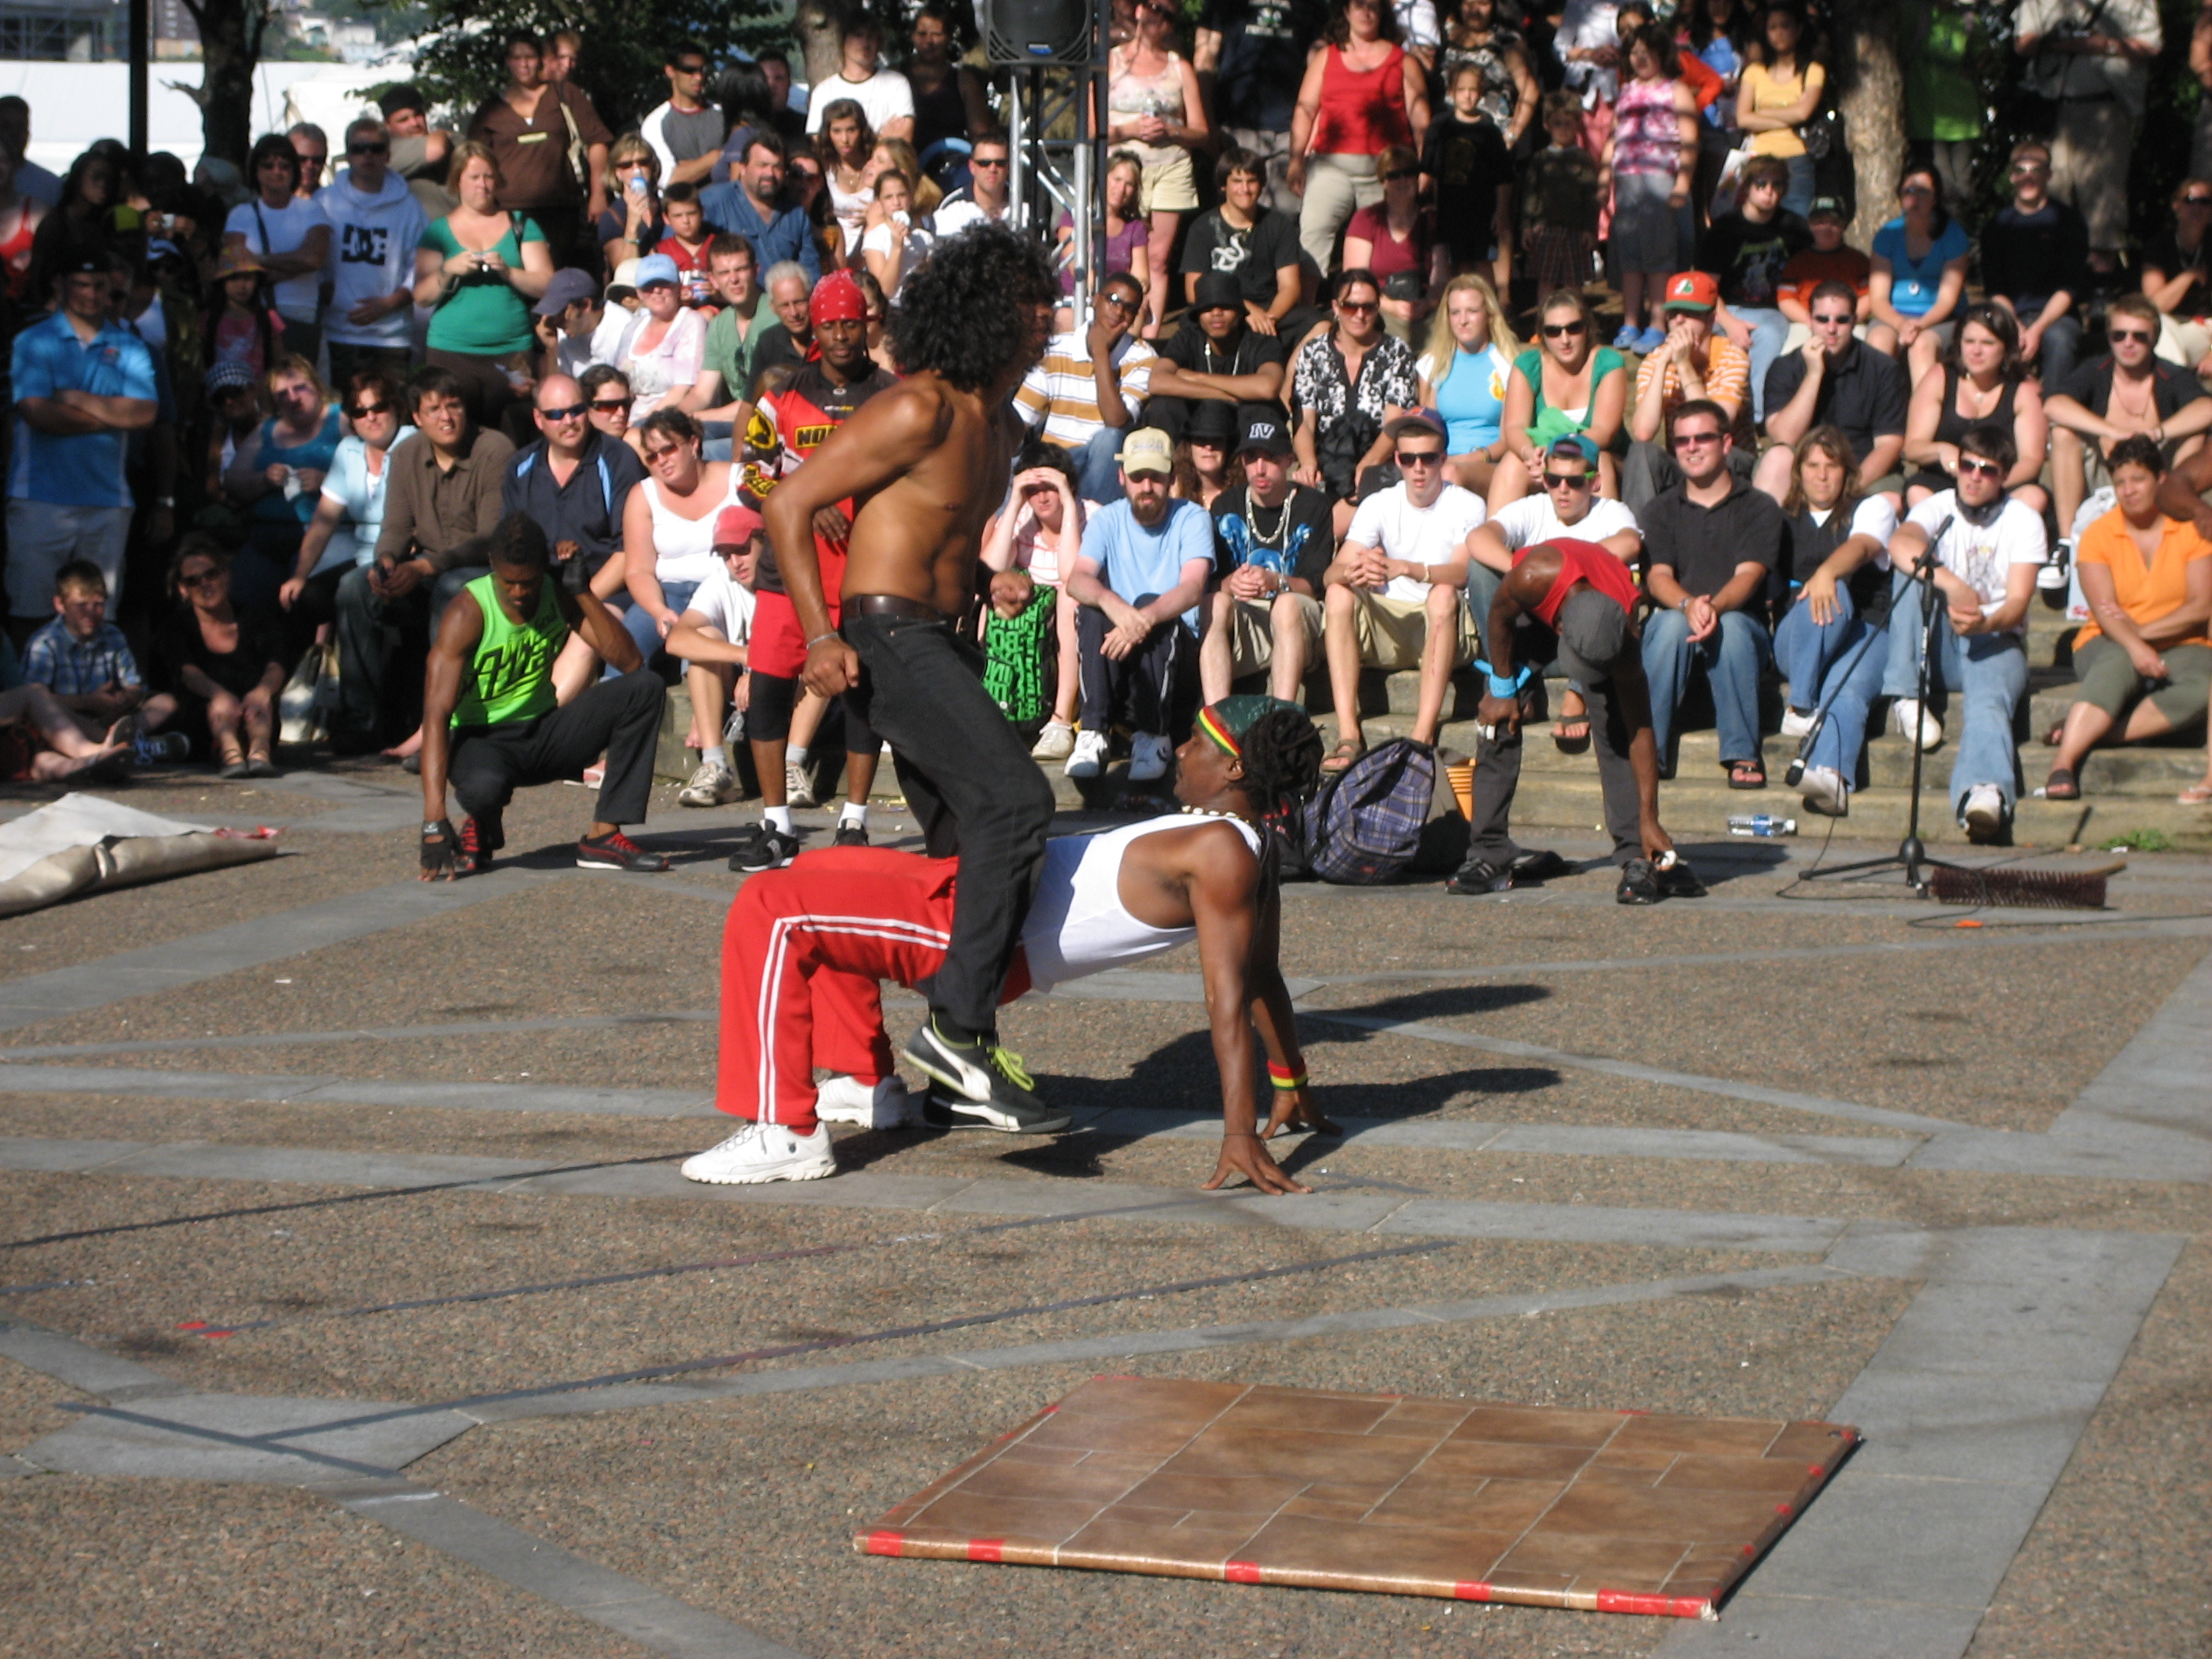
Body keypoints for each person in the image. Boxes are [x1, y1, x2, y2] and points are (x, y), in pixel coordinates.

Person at [681, 697, 1328, 1188]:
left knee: (772, 907)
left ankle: (785, 1129)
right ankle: (863, 1081)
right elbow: (1264, 976)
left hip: (970, 934)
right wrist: (1289, 1079)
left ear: (1235, 767)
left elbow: (1231, 995)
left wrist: (1239, 1133)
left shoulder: (1223, 852)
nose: (1181, 751)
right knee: (816, 876)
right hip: (971, 895)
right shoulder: (1245, 843)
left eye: (1196, 742)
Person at [764, 222, 1062, 1122]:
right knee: (1016, 802)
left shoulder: (1001, 425)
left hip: (940, 635)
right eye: (1025, 304)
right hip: (886, 637)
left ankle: (945, 1072)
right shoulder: (916, 407)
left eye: (1044, 302)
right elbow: (789, 503)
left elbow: (932, 529)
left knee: (967, 848)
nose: (1043, 318)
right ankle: (958, 1031)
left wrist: (983, 579)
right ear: (981, 313)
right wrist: (820, 637)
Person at [731, 271, 898, 863]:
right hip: (789, 573)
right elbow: (750, 474)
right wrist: (806, 500)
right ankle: (776, 824)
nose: (841, 335)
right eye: (830, 325)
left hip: (865, 571)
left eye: (851, 323)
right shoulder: (781, 395)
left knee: (861, 696)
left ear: (867, 324)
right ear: (815, 329)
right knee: (768, 693)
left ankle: (855, 820)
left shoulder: (893, 396)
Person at [418, 511, 671, 877]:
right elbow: (436, 713)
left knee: (644, 688)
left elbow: (630, 661)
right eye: (509, 583)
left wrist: (582, 592)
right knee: (483, 790)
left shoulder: (556, 592)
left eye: (529, 582)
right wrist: (433, 821)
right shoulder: (467, 612)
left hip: (542, 729)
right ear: (492, 565)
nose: (520, 593)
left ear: (542, 568)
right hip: (481, 739)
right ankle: (482, 820)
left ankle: (603, 835)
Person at [1458, 537, 1690, 904]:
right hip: (1530, 611)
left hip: (1597, 620)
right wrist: (1502, 688)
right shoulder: (1532, 575)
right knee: (1497, 718)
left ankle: (1636, 851)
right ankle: (1488, 852)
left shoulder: (1625, 633)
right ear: (1561, 628)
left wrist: (1650, 817)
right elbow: (1500, 616)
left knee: (1617, 729)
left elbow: (1641, 731)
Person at [331, 368, 515, 752]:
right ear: (416, 417)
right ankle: (362, 720)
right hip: (426, 569)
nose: (446, 418)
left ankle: (442, 726)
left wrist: (426, 566)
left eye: (454, 406)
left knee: (452, 587)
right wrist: (386, 562)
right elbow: (396, 526)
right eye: (434, 410)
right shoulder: (405, 454)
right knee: (354, 587)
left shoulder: (494, 449)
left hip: (480, 570)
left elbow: (491, 537)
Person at [1880, 423, 2046, 843]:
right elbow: (1900, 544)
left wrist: (1984, 623)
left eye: (1987, 471)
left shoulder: (2024, 520)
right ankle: (1907, 695)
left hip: (1996, 635)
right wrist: (1954, 586)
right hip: (1940, 641)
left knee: (1989, 699)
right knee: (1911, 573)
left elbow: (2018, 603)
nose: (1974, 477)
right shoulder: (1937, 507)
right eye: (1968, 466)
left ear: (2004, 477)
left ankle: (1984, 792)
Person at [2041, 438, 2212, 802]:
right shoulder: (2099, 534)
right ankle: (2064, 762)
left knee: (2204, 686)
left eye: (2138, 480)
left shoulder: (2189, 530)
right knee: (2118, 659)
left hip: (2182, 643)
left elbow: (2200, 607)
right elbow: (2105, 612)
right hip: (2107, 641)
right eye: (2119, 483)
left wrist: (2142, 633)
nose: (2128, 490)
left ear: (2161, 479)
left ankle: (2100, 731)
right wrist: (2135, 645)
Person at [1319, 411, 1484, 768]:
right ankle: (1348, 734)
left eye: (1428, 458)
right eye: (1409, 459)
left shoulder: (1467, 504)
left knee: (1443, 594)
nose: (1418, 468)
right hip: (1390, 625)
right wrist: (1355, 571)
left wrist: (1410, 569)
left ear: (1443, 459)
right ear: (1397, 460)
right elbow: (1330, 575)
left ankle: (1422, 735)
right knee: (1338, 593)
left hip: (1444, 626)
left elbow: (1462, 572)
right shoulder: (1379, 503)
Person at [1639, 397, 1788, 786]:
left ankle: (1742, 752)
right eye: (1682, 440)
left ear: (1726, 443)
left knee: (1733, 626)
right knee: (1669, 625)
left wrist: (1714, 608)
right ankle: (1649, 752)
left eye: (1702, 438)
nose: (1691, 448)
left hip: (1741, 628)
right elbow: (1657, 576)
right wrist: (1688, 604)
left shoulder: (1759, 507)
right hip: (1675, 623)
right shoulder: (1659, 509)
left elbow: (1750, 574)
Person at [8, 258, 157, 635]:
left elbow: (145, 413)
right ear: (61, 285)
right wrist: (113, 415)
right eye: (81, 284)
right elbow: (37, 414)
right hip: (38, 496)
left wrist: (75, 398)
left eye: (99, 285)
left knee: (97, 621)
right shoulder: (32, 341)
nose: (91, 294)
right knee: (32, 614)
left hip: (107, 499)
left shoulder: (130, 346)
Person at [1466, 433, 1641, 749]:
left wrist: (1555, 572)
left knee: (1610, 584)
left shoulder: (1611, 512)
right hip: (1530, 633)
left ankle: (1577, 691)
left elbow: (1629, 543)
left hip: (1579, 641)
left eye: (1575, 481)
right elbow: (1478, 538)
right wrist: (1525, 573)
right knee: (1479, 569)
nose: (1562, 489)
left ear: (1595, 482)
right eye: (1553, 480)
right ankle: (1506, 681)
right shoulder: (1533, 508)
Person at [1062, 425, 1214, 783]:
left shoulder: (1192, 517)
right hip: (1122, 654)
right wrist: (1113, 604)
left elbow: (1192, 588)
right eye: (1137, 477)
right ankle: (1093, 732)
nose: (1147, 486)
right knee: (1092, 607)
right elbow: (1077, 580)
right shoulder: (1107, 519)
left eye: (1156, 477)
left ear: (1172, 478)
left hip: (1175, 660)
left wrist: (1143, 617)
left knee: (1152, 603)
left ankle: (1153, 736)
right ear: (1122, 478)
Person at [1771, 427, 1900, 819]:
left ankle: (1831, 777)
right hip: (1800, 640)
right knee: (1829, 596)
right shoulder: (1780, 520)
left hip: (1865, 631)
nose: (1822, 475)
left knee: (1847, 686)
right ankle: (1801, 706)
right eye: (1812, 466)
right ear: (1799, 472)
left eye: (1832, 466)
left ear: (1847, 471)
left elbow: (1863, 545)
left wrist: (1827, 572)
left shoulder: (1872, 508)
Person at [504, 372, 648, 691]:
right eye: (556, 414)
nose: (568, 421)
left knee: (584, 637)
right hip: (542, 589)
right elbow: (512, 545)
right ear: (538, 419)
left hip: (606, 591)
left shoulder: (617, 459)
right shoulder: (521, 466)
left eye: (576, 410)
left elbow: (629, 551)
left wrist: (578, 601)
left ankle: (545, 717)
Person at [2045, 293, 2212, 567]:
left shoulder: (2171, 374)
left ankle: (2176, 529)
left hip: (2157, 478)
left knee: (2194, 435)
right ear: (2109, 337)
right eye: (2119, 335)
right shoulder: (2095, 369)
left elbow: (2206, 408)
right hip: (2107, 470)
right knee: (2062, 433)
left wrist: (2157, 432)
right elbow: (2053, 405)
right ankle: (2067, 545)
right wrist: (2110, 431)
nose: (2128, 343)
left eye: (2139, 336)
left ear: (2155, 339)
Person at [2013, 0, 2160, 282]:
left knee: (2104, 198)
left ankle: (2100, 282)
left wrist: (2105, 45)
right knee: (2049, 191)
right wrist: (2055, 41)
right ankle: (2051, 279)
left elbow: (2151, 46)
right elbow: (2023, 43)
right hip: (2053, 108)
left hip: (2106, 108)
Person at [413, 141, 554, 430]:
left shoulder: (521, 225)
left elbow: (546, 284)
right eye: (474, 177)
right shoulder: (438, 231)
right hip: (451, 350)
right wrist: (449, 270)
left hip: (512, 350)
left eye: (489, 176)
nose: (483, 185)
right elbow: (422, 296)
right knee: (454, 432)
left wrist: (509, 272)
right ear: (457, 181)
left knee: (515, 432)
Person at [1202, 405, 1334, 703]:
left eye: (1271, 458)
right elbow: (1211, 581)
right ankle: (1217, 716)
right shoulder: (1226, 505)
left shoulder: (1314, 505)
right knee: (1215, 602)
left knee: (1286, 606)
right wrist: (1231, 583)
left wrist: (1277, 581)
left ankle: (1281, 713)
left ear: (1289, 460)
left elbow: (1315, 585)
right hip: (1246, 617)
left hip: (1300, 619)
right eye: (1251, 458)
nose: (1260, 469)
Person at [1288, 0, 1430, 274]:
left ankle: (1380, 299)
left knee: (1386, 244)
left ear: (1382, 13)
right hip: (1331, 166)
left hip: (1387, 172)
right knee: (1313, 235)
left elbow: (1422, 123)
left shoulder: (1403, 61)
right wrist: (1295, 161)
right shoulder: (1325, 57)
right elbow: (1304, 111)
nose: (1366, 13)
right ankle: (1306, 300)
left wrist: (1424, 169)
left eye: (1373, 7)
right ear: (1346, 11)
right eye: (1358, 6)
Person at [981, 440, 1094, 757]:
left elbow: (1071, 575)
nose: (1042, 498)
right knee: (989, 599)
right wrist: (1014, 503)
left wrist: (1068, 504)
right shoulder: (1022, 519)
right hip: (1030, 619)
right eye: (1033, 490)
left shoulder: (1092, 515)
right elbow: (991, 571)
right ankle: (991, 705)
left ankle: (1061, 719)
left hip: (1075, 617)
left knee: (1068, 597)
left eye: (1051, 488)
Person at [279, 368, 416, 629]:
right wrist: (299, 576)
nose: (370, 417)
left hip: (405, 560)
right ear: (351, 420)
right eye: (360, 412)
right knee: (302, 597)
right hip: (363, 558)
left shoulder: (414, 443)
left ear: (396, 408)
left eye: (379, 407)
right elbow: (323, 522)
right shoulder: (348, 450)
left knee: (352, 592)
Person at [467, 31, 613, 268]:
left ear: (541, 60)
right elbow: (473, 159)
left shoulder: (565, 95)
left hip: (563, 211)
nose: (524, 64)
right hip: (510, 213)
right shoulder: (491, 110)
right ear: (507, 62)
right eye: (517, 58)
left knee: (566, 277)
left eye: (530, 57)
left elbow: (597, 142)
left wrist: (598, 194)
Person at [1756, 280, 1910, 502]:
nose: (1831, 329)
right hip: (1803, 468)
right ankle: (1763, 526)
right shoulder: (1785, 367)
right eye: (1822, 319)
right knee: (1777, 457)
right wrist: (1814, 374)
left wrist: (1850, 489)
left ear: (1854, 321)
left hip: (1861, 469)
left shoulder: (1883, 369)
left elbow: (1889, 444)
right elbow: (1784, 437)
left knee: (1889, 501)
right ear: (1809, 320)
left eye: (1842, 320)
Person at [1108, 0, 1209, 335]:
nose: (1159, 17)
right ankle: (1116, 327)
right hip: (1123, 170)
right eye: (1154, 7)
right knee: (1119, 251)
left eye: (1168, 14)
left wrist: (1171, 130)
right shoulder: (1111, 61)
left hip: (1170, 167)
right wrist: (1130, 129)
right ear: (1138, 10)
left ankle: (1147, 338)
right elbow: (1093, 128)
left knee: (1158, 258)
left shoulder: (1180, 67)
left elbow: (1201, 131)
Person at [1013, 272, 1155, 505]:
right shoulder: (1058, 347)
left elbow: (1116, 421)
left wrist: (1100, 353)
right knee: (1005, 468)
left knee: (1109, 439)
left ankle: (1090, 518)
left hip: (1100, 466)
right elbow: (1021, 419)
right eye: (1113, 300)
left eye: (1129, 308)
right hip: (1054, 460)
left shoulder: (1142, 357)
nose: (1119, 311)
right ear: (1096, 300)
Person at [153, 537, 288, 778]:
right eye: (193, 581)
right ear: (183, 589)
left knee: (261, 704)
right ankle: (230, 753)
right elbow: (187, 673)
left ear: (226, 574)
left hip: (257, 716)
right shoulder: (174, 628)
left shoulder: (256, 619)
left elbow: (276, 663)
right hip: (202, 719)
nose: (205, 584)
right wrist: (218, 694)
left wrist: (263, 691)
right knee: (219, 706)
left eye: (211, 574)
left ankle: (260, 753)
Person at [1291, 269, 1419, 518]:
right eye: (1351, 307)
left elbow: (1394, 424)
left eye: (1368, 307)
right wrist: (1308, 463)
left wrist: (1367, 466)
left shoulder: (1396, 352)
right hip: (1326, 458)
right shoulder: (1313, 353)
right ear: (1335, 307)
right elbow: (1304, 420)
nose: (1360, 315)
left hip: (1378, 462)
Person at [221, 356, 342, 616]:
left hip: (325, 535)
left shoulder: (340, 419)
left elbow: (373, 472)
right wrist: (263, 480)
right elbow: (232, 481)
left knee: (303, 599)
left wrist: (327, 482)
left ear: (317, 386)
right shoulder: (267, 429)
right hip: (266, 533)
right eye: (282, 394)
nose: (293, 398)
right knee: (241, 595)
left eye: (299, 388)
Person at [1489, 285, 1628, 513]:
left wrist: (1556, 452)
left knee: (1599, 461)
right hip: (1542, 456)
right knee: (1512, 463)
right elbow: (1514, 426)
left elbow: (1604, 432)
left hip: (1600, 457)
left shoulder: (1607, 363)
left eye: (1574, 328)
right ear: (1542, 335)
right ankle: (1494, 533)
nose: (1565, 339)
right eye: (1553, 331)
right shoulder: (1528, 366)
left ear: (1587, 328)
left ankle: (1605, 535)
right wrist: (1529, 454)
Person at [1902, 305, 2049, 518]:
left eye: (1988, 343)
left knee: (2034, 497)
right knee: (1918, 492)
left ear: (2006, 348)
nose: (1976, 351)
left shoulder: (2024, 390)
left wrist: (1989, 483)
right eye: (1969, 342)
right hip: (1946, 482)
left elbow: (2031, 461)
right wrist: (1942, 450)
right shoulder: (1940, 377)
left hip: (2001, 484)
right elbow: (1913, 447)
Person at [1604, 24, 1699, 352]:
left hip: (1660, 181)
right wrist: (1604, 180)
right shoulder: (1626, 90)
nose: (1640, 58)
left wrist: (1682, 183)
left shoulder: (1676, 90)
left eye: (1647, 51)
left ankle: (1658, 324)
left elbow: (1689, 140)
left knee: (1659, 256)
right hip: (1626, 182)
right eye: (1634, 52)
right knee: (1630, 257)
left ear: (1661, 53)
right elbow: (1614, 137)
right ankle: (1631, 322)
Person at [1624, 269, 1752, 511]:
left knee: (1723, 452)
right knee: (1641, 453)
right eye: (1673, 314)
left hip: (1730, 465)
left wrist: (1683, 366)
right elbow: (1643, 432)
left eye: (1690, 313)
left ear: (1711, 320)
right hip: (1683, 463)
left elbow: (1717, 426)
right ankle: (1640, 532)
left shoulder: (1732, 357)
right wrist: (1662, 365)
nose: (1679, 320)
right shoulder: (1655, 361)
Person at [1695, 152, 1807, 424]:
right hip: (1725, 307)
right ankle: (1742, 414)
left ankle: (1755, 416)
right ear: (1746, 188)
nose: (1769, 191)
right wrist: (1729, 322)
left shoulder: (1795, 228)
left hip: (1773, 309)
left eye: (1777, 185)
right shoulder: (1724, 230)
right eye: (1761, 184)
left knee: (1768, 334)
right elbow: (1706, 287)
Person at [665, 502, 760, 809]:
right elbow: (677, 639)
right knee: (703, 637)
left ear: (765, 542)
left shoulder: (789, 575)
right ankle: (714, 764)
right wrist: (746, 656)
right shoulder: (723, 580)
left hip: (791, 687)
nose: (735, 563)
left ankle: (792, 764)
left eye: (742, 550)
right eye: (725, 555)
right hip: (739, 687)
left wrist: (760, 667)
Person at [320, 117, 427, 389]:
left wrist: (389, 303)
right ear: (348, 155)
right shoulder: (325, 201)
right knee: (342, 410)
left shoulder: (410, 207)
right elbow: (313, 262)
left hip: (391, 336)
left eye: (376, 148)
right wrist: (329, 292)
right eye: (359, 148)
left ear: (388, 155)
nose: (367, 155)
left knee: (392, 410)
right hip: (338, 332)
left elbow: (422, 268)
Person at [1196, 0, 1329, 207]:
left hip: (1289, 131)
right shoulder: (1223, 4)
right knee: (1236, 212)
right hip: (1236, 127)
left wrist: (1313, 127)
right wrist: (1207, 122)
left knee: (1285, 214)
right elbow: (1205, 61)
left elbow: (1321, 67)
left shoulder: (1312, 6)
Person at [1980, 141, 2088, 394]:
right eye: (2021, 169)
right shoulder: (1996, 226)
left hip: (2056, 316)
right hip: (2008, 314)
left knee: (2060, 340)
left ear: (2048, 175)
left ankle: (2054, 409)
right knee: (1981, 338)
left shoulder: (2069, 221)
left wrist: (2038, 328)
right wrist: (2015, 325)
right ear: (2012, 176)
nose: (2028, 177)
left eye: (2036, 170)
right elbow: (1995, 288)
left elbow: (2069, 287)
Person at [1142, 272, 1290, 451]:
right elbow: (1156, 382)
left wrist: (1197, 377)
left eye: (1225, 307)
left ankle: (1256, 465)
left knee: (1261, 409)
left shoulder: (1262, 342)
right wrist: (1227, 396)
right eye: (1207, 308)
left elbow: (1268, 387)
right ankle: (1168, 465)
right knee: (1163, 407)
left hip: (1242, 430)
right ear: (1198, 316)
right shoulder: (1187, 338)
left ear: (1239, 312)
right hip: (1197, 428)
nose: (1216, 313)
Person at [222, 135, 330, 369]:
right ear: (255, 170)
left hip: (303, 316)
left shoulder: (312, 210)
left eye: (284, 165)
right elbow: (235, 269)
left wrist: (260, 261)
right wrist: (296, 265)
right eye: (268, 165)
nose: (277, 172)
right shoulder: (240, 215)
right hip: (255, 316)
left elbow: (314, 259)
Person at [21, 559, 153, 742]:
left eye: (98, 604)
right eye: (81, 605)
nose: (91, 612)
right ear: (60, 604)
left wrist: (125, 698)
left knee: (165, 703)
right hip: (68, 722)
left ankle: (121, 739)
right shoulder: (45, 644)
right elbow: (33, 702)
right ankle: (123, 743)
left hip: (110, 715)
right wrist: (88, 701)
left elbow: (134, 686)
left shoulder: (113, 635)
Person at [1179, 148, 1302, 338]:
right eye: (1237, 181)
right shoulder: (1202, 227)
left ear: (1261, 185)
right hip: (1220, 308)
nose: (1245, 189)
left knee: (1317, 324)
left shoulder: (1279, 224)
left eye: (1251, 181)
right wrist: (1246, 309)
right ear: (1223, 185)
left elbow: (1290, 286)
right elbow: (1193, 291)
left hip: (1269, 309)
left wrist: (1269, 319)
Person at [1417, 273, 1518, 498]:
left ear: (1488, 315)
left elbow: (1508, 439)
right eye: (1455, 312)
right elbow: (1428, 430)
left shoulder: (1508, 364)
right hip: (1440, 463)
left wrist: (1471, 459)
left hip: (1490, 463)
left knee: (1451, 474)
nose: (1463, 320)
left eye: (1472, 311)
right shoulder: (1432, 364)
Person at [1870, 163, 1969, 384]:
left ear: (1935, 198)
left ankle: (1924, 406)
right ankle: (1880, 405)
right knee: (1879, 341)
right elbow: (1877, 298)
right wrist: (1900, 325)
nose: (1915, 198)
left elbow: (1947, 300)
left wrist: (1919, 326)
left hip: (1939, 319)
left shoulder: (1954, 237)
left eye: (1923, 192)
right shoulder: (1887, 235)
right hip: (1894, 316)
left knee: (1922, 346)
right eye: (1909, 191)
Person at [1423, 61, 1516, 295]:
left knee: (1483, 264)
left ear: (1481, 92)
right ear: (1451, 92)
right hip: (1451, 210)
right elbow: (1429, 171)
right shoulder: (1440, 126)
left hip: (1482, 211)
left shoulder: (1489, 131)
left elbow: (1503, 177)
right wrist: (1426, 202)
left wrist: (1501, 211)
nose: (1467, 95)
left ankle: (1491, 308)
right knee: (1458, 266)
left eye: (1473, 90)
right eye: (1461, 90)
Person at [1734, 0, 1824, 219]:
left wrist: (1761, 114)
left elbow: (1804, 113)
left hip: (1797, 160)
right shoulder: (1754, 72)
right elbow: (1743, 118)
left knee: (1797, 225)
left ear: (1799, 29)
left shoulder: (1813, 70)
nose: (1779, 33)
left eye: (1785, 25)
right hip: (1759, 160)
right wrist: (1790, 115)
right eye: (1772, 27)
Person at [1344, 143, 1440, 342]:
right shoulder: (1366, 219)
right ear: (1383, 182)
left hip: (1423, 308)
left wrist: (1428, 303)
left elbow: (1441, 279)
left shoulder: (1432, 221)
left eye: (1409, 173)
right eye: (1394, 176)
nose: (1402, 180)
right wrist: (1390, 306)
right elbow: (1354, 279)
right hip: (1378, 307)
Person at [700, 133, 821, 286]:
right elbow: (682, 244)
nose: (770, 174)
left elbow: (810, 273)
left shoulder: (795, 213)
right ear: (743, 168)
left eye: (777, 167)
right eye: (762, 165)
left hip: (783, 299)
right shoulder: (714, 201)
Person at [681, 236, 764, 446]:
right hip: (732, 422)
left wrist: (695, 418)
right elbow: (702, 394)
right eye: (724, 273)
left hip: (767, 423)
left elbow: (764, 398)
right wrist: (672, 418)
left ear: (756, 270)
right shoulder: (719, 324)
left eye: (741, 269)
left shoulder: (775, 315)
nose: (733, 279)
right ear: (713, 280)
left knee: (698, 450)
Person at [1521, 91, 1602, 299]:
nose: (1563, 129)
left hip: (1575, 232)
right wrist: (1527, 227)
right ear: (1546, 125)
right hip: (1544, 230)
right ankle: (1543, 318)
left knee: (1573, 283)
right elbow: (1530, 195)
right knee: (1546, 281)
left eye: (1568, 123)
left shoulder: (1583, 159)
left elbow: (1590, 198)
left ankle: (1576, 316)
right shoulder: (1540, 159)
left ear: (1578, 125)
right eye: (1557, 123)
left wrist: (1589, 230)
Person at [1774, 194, 1881, 347]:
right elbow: (1785, 299)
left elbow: (1868, 297)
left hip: (1849, 325)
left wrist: (1846, 321)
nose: (1827, 228)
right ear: (1810, 225)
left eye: (1834, 223)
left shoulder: (1858, 260)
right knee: (1791, 350)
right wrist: (1814, 322)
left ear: (1843, 225)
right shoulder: (1798, 261)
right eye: (1820, 222)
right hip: (1806, 324)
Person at [610, 253, 705, 420]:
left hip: (670, 420)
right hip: (628, 418)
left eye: (664, 284)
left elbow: (684, 389)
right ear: (639, 293)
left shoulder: (691, 322)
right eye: (648, 286)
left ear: (678, 287)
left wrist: (641, 423)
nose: (656, 290)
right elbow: (620, 383)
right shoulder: (632, 328)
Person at [1441, 0, 1539, 152]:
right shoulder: (1445, 35)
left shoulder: (1506, 41)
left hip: (1493, 140)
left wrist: (1511, 136)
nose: (1475, 11)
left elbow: (1529, 90)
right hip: (1449, 137)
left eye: (1483, 3)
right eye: (1469, 4)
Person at [2142, 177, 2212, 378]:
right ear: (2176, 206)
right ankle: (2178, 388)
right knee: (2159, 324)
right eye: (2190, 200)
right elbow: (2155, 305)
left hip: (2207, 327)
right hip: (2174, 328)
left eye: (2205, 202)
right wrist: (2189, 276)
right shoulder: (2159, 246)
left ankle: (2174, 388)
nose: (2197, 208)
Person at [905, 5, 991, 163]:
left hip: (951, 162)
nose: (929, 41)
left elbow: (980, 134)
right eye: (922, 34)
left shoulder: (965, 81)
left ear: (949, 38)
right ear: (913, 36)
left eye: (936, 34)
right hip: (906, 163)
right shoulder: (895, 75)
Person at [807, 17, 916, 141]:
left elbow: (903, 138)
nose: (865, 42)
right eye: (858, 35)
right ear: (843, 41)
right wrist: (882, 138)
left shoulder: (896, 84)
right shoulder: (824, 91)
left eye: (870, 37)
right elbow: (818, 141)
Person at [640, 40, 727, 189]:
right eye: (690, 71)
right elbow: (669, 179)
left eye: (702, 70)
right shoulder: (655, 123)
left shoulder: (722, 114)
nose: (699, 77)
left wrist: (691, 168)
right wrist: (716, 157)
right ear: (670, 71)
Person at [380, 86, 459, 222]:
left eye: (418, 115)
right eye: (403, 120)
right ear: (387, 125)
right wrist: (440, 133)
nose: (414, 123)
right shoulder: (387, 152)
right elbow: (436, 149)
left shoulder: (448, 140)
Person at [859, 167, 931, 299]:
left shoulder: (924, 238)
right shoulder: (874, 238)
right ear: (879, 201)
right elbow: (884, 291)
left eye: (901, 195)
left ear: (910, 197)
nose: (896, 202)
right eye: (888, 197)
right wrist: (897, 247)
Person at [928, 130, 1013, 237]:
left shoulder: (1025, 205)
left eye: (1000, 163)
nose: (992, 169)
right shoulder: (952, 208)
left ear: (1008, 167)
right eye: (984, 163)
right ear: (972, 167)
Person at [0, 137, 50, 308]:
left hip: (25, 310)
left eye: (3, 161)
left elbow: (53, 270)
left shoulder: (37, 212)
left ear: (16, 165)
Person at [0, 97, 62, 207]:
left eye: (21, 127)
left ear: (28, 133)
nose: (14, 134)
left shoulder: (50, 186)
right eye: (6, 126)